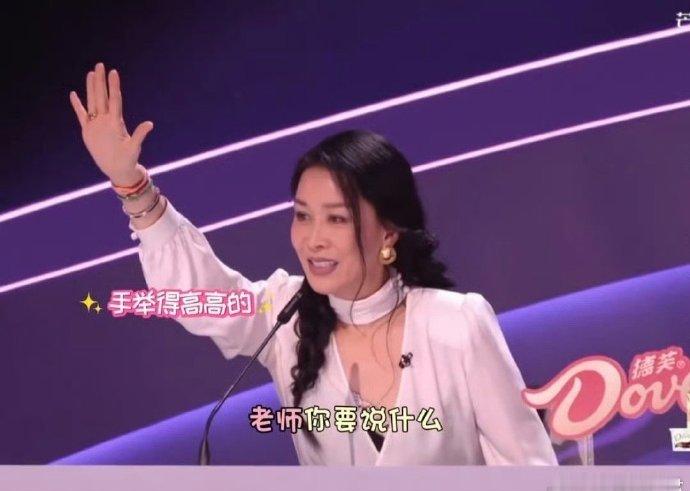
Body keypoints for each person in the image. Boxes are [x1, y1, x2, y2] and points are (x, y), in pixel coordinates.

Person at [70, 62, 558, 466]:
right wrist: (131, 184)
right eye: (303, 216)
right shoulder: (286, 314)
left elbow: (528, 474)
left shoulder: (456, 323)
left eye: (337, 219)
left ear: (388, 231)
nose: (313, 239)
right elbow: (198, 298)